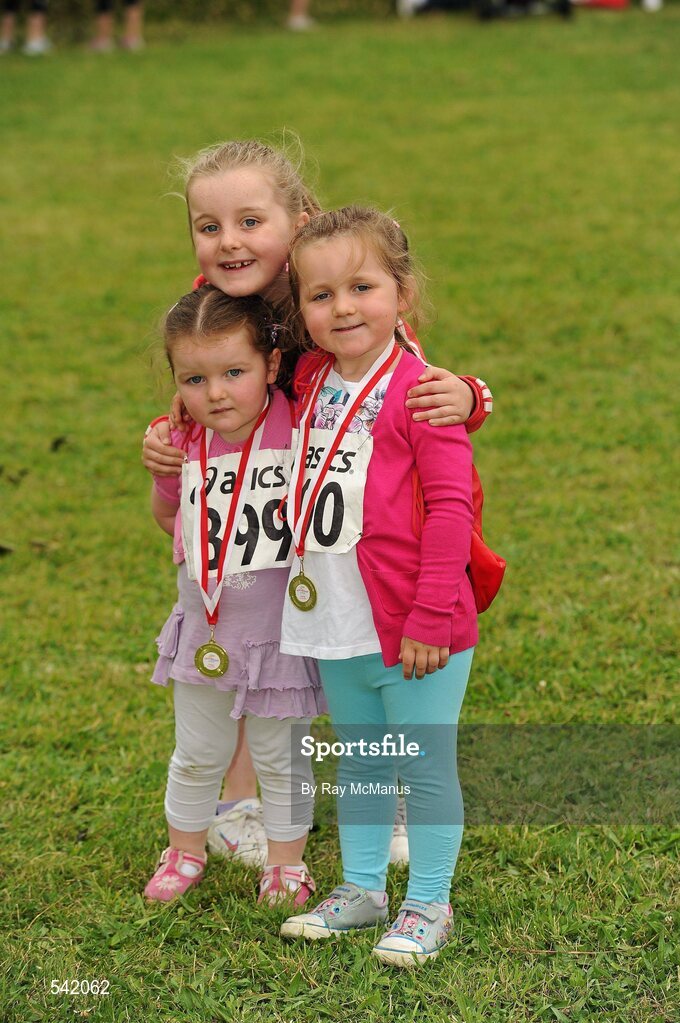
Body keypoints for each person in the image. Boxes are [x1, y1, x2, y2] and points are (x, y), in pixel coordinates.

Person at [141, 138, 492, 873]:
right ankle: (245, 802)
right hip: (270, 525)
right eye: (208, 227)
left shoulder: (340, 284)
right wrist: (175, 441)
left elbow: (410, 384)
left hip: (368, 522)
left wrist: (471, 394)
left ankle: (394, 791)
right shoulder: (215, 307)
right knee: (251, 645)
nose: (229, 241)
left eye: (249, 221)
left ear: (298, 221)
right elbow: (200, 387)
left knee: (360, 645)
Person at [278, 206, 478, 967]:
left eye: (362, 286)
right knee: (360, 755)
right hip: (336, 613)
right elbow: (230, 297)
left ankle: (428, 901)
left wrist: (430, 612)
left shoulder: (424, 393)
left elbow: (453, 509)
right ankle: (362, 889)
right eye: (319, 294)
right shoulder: (305, 376)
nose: (342, 308)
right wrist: (278, 234)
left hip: (418, 621)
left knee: (422, 762)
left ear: (402, 292)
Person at [144, 287, 324, 906]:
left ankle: (286, 865)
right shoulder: (182, 436)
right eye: (194, 377)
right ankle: (184, 850)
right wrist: (164, 477)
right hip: (207, 635)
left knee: (282, 759)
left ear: (271, 366)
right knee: (197, 754)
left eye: (234, 372)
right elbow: (171, 522)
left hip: (279, 638)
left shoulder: (299, 423)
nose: (216, 392)